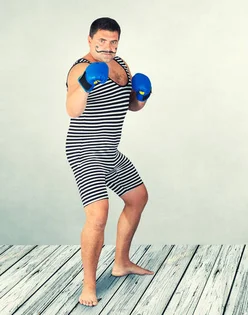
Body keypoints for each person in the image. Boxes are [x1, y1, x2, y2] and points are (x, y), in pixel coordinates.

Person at [64, 17, 154, 307]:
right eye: (102, 41)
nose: (108, 47)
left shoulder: (121, 65)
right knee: (98, 214)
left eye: (113, 41)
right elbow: (72, 109)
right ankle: (88, 285)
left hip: (109, 151)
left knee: (138, 197)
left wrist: (141, 96)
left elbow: (130, 106)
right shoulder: (82, 67)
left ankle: (121, 262)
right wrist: (85, 84)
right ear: (90, 40)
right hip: (84, 150)